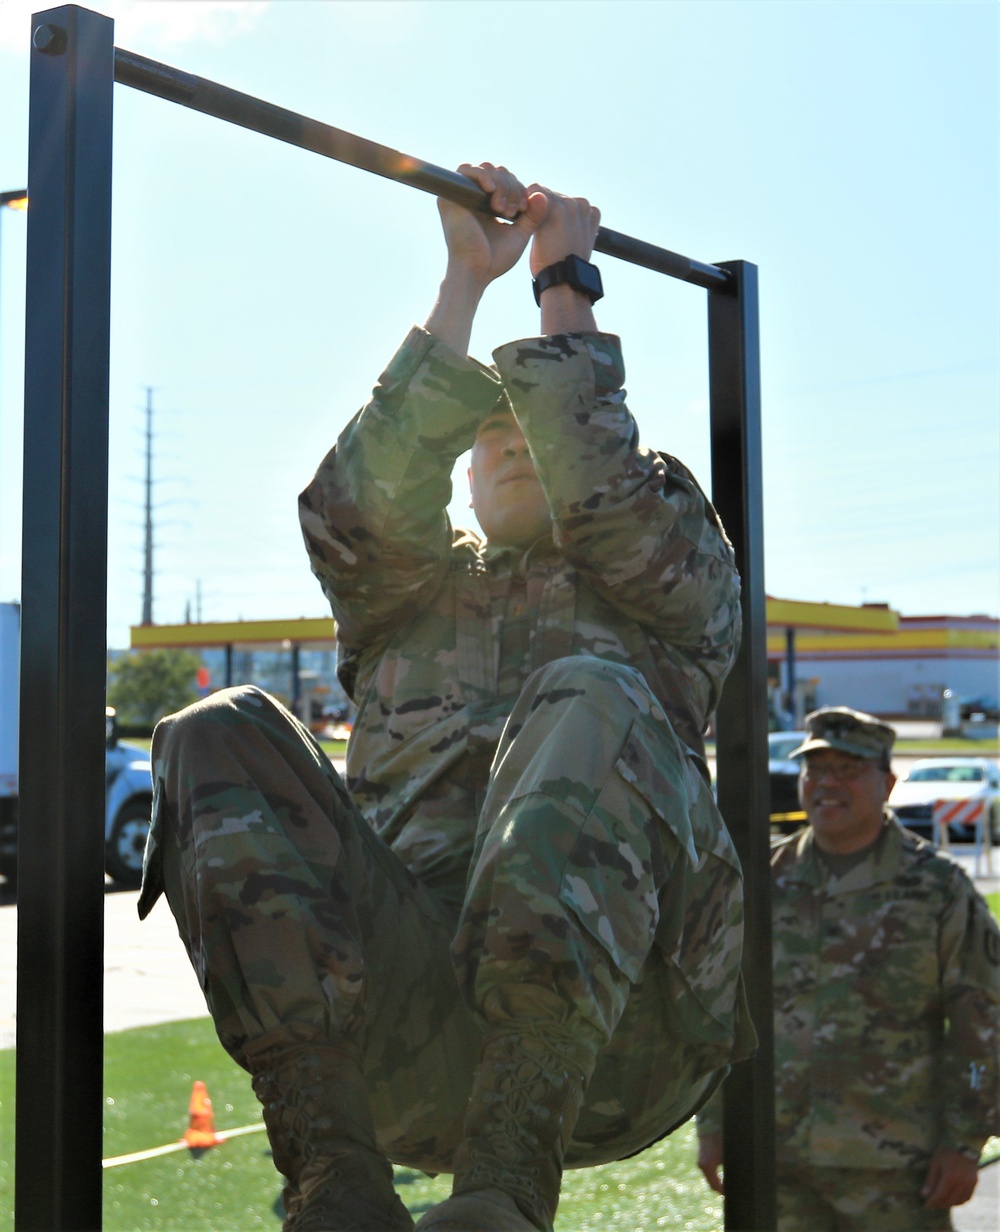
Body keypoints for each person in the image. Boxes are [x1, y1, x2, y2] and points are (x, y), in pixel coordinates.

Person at [139, 161, 754, 1232]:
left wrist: (565, 282)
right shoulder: (405, 603)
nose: (511, 438)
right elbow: (354, 508)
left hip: (622, 1034)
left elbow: (606, 498)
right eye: (488, 432)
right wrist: (464, 282)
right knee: (212, 731)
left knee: (586, 690)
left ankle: (508, 1179)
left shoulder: (673, 581)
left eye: (535, 423)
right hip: (409, 1037)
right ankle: (333, 1173)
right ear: (463, 474)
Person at [696, 705, 1000, 1231]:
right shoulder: (762, 881)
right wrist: (714, 1123)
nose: (827, 784)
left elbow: (983, 1023)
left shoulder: (937, 889)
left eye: (848, 769)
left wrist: (965, 1142)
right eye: (816, 769)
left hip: (897, 1168)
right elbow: (722, 1007)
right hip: (774, 1159)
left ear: (886, 782)